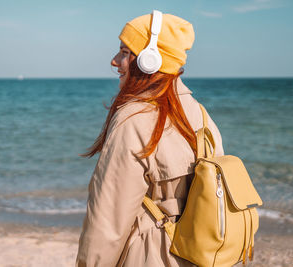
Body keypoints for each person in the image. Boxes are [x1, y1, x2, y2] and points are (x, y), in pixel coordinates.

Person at [76, 11, 224, 267]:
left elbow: (107, 222)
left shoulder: (133, 118)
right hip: (196, 256)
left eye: (124, 51)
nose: (114, 61)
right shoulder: (201, 114)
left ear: (150, 60)